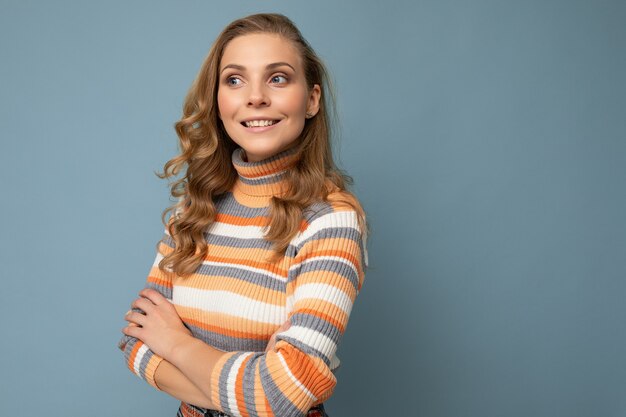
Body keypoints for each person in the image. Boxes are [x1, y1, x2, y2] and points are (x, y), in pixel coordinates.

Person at [118, 13, 369, 417]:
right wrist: (251, 397)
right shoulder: (195, 208)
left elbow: (281, 396)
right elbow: (136, 343)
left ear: (312, 99)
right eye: (235, 80)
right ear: (217, 101)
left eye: (278, 78)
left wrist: (178, 344)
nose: (255, 97)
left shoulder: (330, 220)